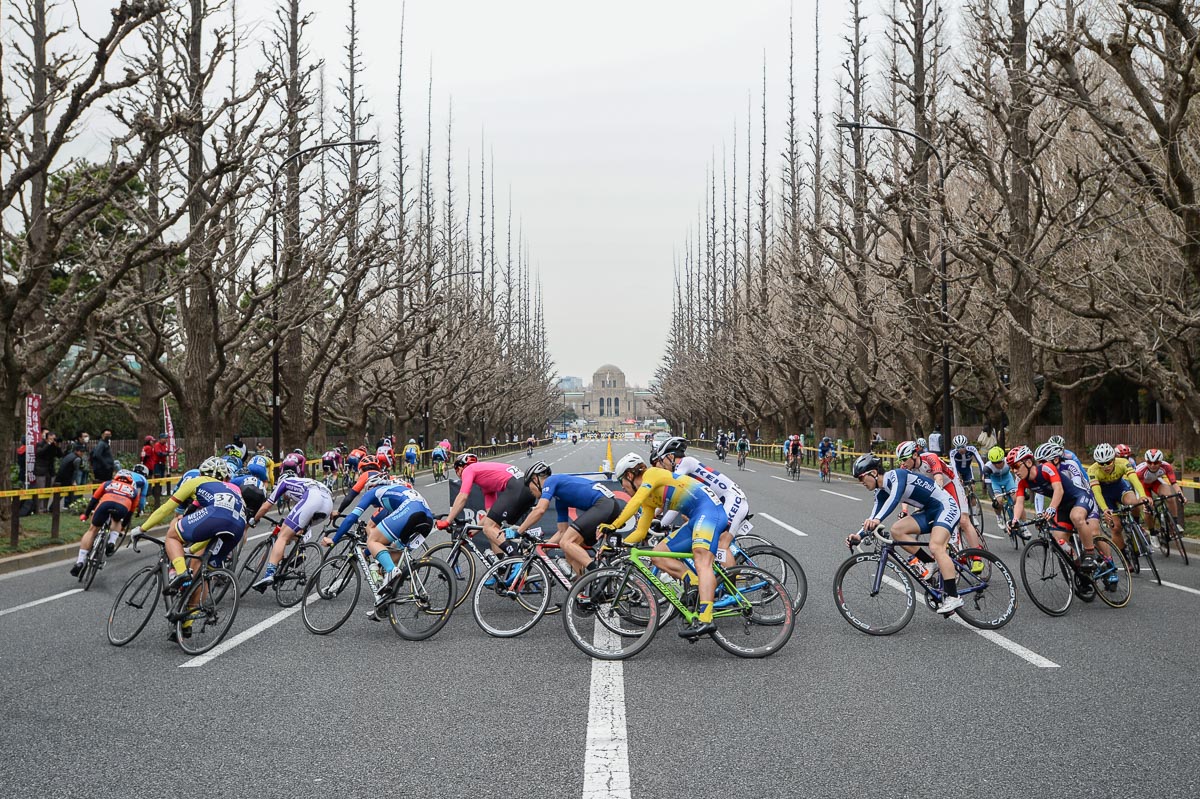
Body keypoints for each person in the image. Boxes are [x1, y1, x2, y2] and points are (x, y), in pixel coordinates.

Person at [599, 453, 734, 638]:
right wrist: (618, 545)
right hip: (696, 517)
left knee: (702, 559)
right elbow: (640, 531)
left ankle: (706, 618)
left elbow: (634, 501)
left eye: (622, 482)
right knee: (658, 554)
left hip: (710, 511)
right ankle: (693, 582)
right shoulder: (649, 499)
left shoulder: (652, 474)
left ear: (629, 476)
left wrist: (613, 526)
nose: (623, 488)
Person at [128, 457, 246, 640]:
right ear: (225, 477)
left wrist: (142, 528)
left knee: (172, 537)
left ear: (202, 473)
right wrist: (192, 550)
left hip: (216, 516)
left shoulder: (197, 481)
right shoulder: (232, 488)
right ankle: (187, 623)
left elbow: (168, 508)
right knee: (205, 573)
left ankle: (181, 573)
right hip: (238, 526)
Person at [846, 453, 964, 615]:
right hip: (929, 511)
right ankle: (930, 562)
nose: (861, 483)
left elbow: (894, 499)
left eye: (861, 478)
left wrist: (878, 519)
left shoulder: (896, 476)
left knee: (936, 546)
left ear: (873, 473)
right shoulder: (881, 491)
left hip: (946, 506)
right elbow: (874, 515)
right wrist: (859, 536)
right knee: (897, 530)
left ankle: (953, 596)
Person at [323, 474, 434, 616]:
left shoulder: (374, 492)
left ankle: (392, 572)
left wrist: (334, 539)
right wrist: (367, 553)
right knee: (393, 553)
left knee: (372, 540)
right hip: (427, 519)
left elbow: (352, 517)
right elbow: (385, 539)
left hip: (411, 510)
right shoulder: (392, 498)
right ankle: (384, 604)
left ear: (372, 486)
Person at [514, 462, 625, 577]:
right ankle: (583, 588)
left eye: (529, 486)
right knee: (570, 551)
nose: (530, 491)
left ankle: (600, 575)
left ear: (535, 479)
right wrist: (544, 549)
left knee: (567, 542)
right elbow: (562, 531)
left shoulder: (551, 481)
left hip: (604, 505)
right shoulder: (560, 499)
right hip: (608, 506)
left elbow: (540, 510)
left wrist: (518, 532)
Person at [1008, 445, 1103, 571]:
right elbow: (1019, 503)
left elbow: (1059, 489)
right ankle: (1079, 568)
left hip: (1078, 497)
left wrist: (1051, 508)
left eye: (1016, 466)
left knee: (1076, 517)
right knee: (1059, 540)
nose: (1014, 471)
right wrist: (1015, 520)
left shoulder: (1046, 468)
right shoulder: (1021, 481)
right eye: (1011, 468)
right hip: (1063, 506)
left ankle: (1090, 554)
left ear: (1029, 462)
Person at [248, 469, 334, 591]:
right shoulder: (305, 481)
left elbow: (267, 506)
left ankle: (269, 574)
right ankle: (297, 554)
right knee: (296, 531)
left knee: (282, 536)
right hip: (328, 504)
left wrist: (254, 519)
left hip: (313, 498)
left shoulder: (284, 483)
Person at [652, 436, 751, 538]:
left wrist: (661, 524)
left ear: (671, 457)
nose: (661, 465)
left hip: (733, 500)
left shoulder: (686, 463)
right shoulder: (682, 469)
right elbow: (667, 501)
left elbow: (676, 500)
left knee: (721, 541)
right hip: (720, 503)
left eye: (661, 460)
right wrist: (653, 516)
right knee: (695, 533)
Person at [435, 454, 529, 557]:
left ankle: (515, 558)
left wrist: (447, 521)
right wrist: (472, 533)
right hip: (526, 488)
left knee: (489, 528)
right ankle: (504, 567)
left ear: (461, 467)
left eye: (457, 470)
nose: (458, 474)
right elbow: (489, 514)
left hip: (516, 488)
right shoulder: (486, 481)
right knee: (493, 529)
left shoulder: (469, 469)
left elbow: (462, 497)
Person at [1087, 442, 1149, 554]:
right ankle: (1124, 557)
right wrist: (1105, 509)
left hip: (1120, 488)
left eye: (1108, 462)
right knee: (1116, 528)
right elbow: (1097, 492)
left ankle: (1137, 524)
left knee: (1134, 502)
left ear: (1114, 459)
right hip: (1105, 495)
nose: (1105, 466)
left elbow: (1135, 480)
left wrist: (1143, 495)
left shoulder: (1123, 462)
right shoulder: (1092, 470)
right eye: (1101, 463)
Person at [72, 472, 140, 574]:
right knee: (117, 520)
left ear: (116, 478)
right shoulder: (134, 491)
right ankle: (112, 542)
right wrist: (123, 526)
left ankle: (80, 561)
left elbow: (93, 500)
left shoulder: (107, 483)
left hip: (105, 504)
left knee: (92, 530)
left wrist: (85, 515)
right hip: (122, 507)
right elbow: (130, 513)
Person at [1137, 448, 1187, 534]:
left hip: (1155, 482)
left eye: (1156, 463)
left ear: (1160, 462)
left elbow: (1174, 483)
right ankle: (1152, 533)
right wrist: (1146, 498)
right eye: (1149, 462)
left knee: (1170, 496)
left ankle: (1174, 523)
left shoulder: (1167, 466)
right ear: (1146, 461)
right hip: (1142, 486)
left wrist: (1181, 495)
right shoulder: (1140, 471)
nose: (1152, 465)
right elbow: (1139, 488)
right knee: (1147, 509)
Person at [981, 446, 1022, 534]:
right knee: (998, 501)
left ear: (1003, 459)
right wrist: (993, 499)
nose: (997, 465)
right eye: (994, 463)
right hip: (995, 482)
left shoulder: (1009, 461)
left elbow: (1018, 475)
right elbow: (988, 485)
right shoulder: (987, 468)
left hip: (1007, 479)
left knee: (1016, 498)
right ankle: (999, 517)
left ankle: (1017, 519)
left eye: (999, 462)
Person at [34, 430, 62, 512]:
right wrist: (48, 444)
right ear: (47, 438)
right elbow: (39, 453)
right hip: (41, 471)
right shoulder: (40, 444)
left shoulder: (54, 445)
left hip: (50, 471)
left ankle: (45, 508)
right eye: (51, 438)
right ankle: (39, 509)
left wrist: (57, 446)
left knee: (48, 490)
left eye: (54, 438)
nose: (53, 440)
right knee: (41, 490)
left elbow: (60, 455)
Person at [55, 443, 87, 509]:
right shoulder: (77, 459)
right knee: (69, 493)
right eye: (81, 451)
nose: (82, 453)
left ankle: (53, 508)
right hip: (66, 478)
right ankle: (71, 506)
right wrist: (73, 481)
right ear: (76, 451)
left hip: (60, 476)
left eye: (83, 452)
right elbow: (76, 471)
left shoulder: (70, 455)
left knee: (59, 494)